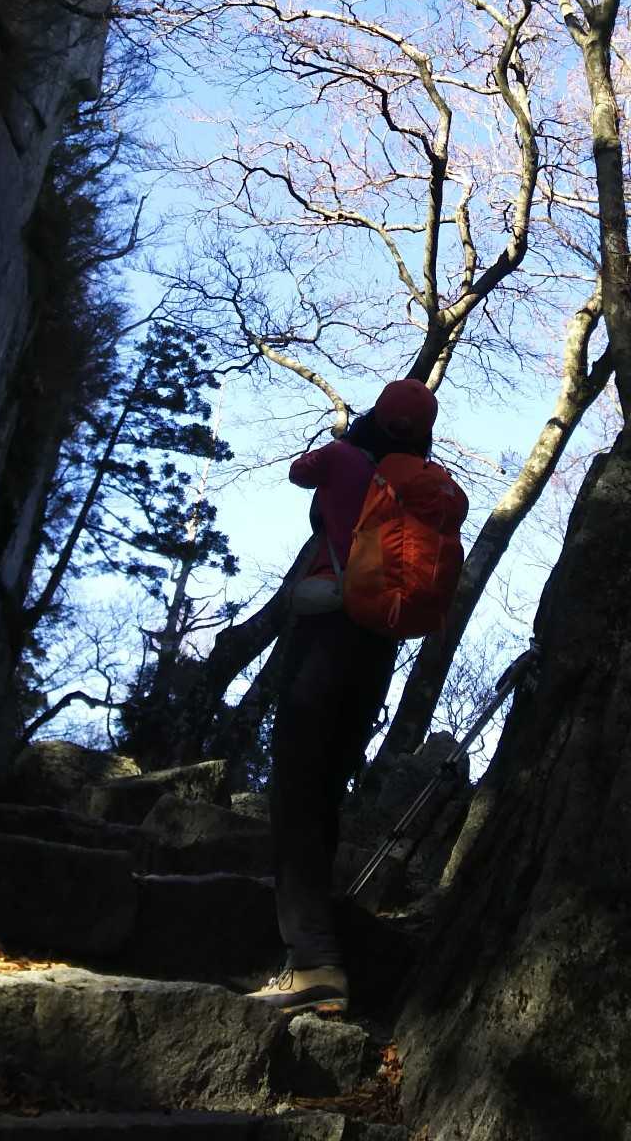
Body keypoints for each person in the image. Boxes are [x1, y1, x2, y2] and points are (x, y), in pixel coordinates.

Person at [253, 375, 439, 1015]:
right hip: (377, 648)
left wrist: (341, 441)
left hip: (325, 630)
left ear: (375, 417)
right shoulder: (420, 486)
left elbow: (298, 473)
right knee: (328, 787)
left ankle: (314, 962)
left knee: (296, 787)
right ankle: (319, 950)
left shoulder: (343, 458)